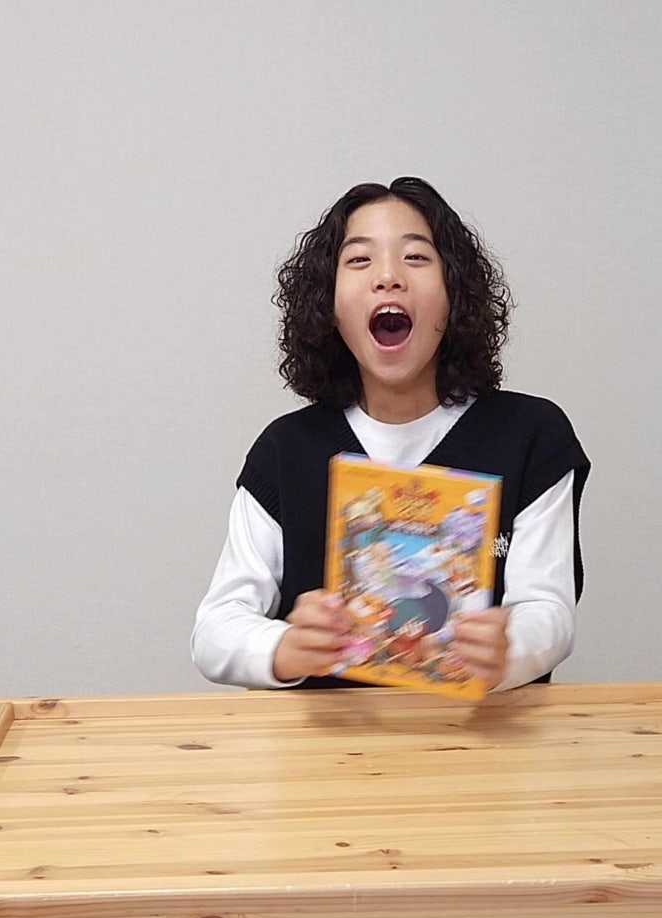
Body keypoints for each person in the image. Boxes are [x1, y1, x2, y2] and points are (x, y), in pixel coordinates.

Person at [192, 177, 590, 694]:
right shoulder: (285, 450)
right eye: (359, 260)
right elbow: (215, 629)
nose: (387, 277)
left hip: (479, 736)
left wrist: (509, 649)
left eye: (416, 258)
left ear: (454, 296)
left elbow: (548, 610)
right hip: (328, 742)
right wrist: (283, 647)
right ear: (329, 306)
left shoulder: (531, 435)